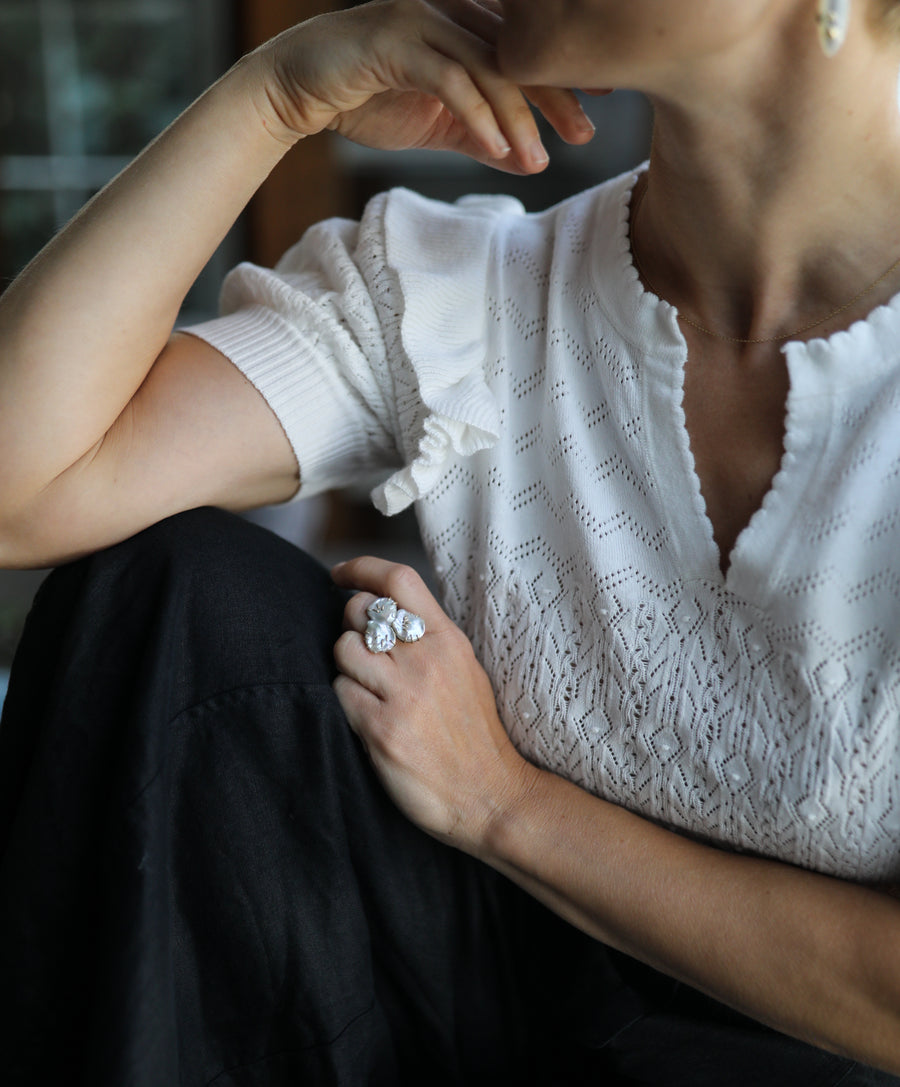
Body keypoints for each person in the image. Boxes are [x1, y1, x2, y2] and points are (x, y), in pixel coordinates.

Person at [1, 0, 900, 1082]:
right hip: (483, 999)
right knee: (180, 592)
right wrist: (273, 100)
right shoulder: (458, 294)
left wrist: (506, 804)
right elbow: (24, 490)